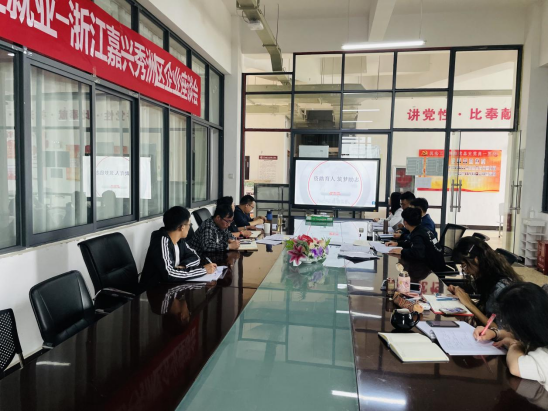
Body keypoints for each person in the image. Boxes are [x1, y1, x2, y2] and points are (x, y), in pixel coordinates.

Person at [474, 282, 548, 391]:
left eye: (510, 326)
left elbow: (515, 366)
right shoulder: (541, 326)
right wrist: (496, 333)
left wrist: (514, 344)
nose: (508, 329)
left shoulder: (544, 356)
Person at [448, 236, 522, 327]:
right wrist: (464, 298)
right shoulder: (488, 277)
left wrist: (469, 304)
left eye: (464, 265)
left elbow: (499, 330)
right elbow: (487, 312)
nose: (466, 271)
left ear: (476, 260)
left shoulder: (501, 287)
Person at [140, 206, 217, 287]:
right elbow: (169, 274)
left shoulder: (179, 240)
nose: (189, 227)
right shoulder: (161, 240)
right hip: (154, 289)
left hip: (171, 285)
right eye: (189, 224)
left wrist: (183, 266)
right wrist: (203, 270)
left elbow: (196, 257)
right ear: (182, 227)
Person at [386, 207, 446, 272]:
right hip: (436, 265)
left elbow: (417, 253)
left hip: (433, 270)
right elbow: (411, 243)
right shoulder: (422, 230)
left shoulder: (418, 235)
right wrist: (397, 243)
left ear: (405, 222)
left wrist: (402, 251)